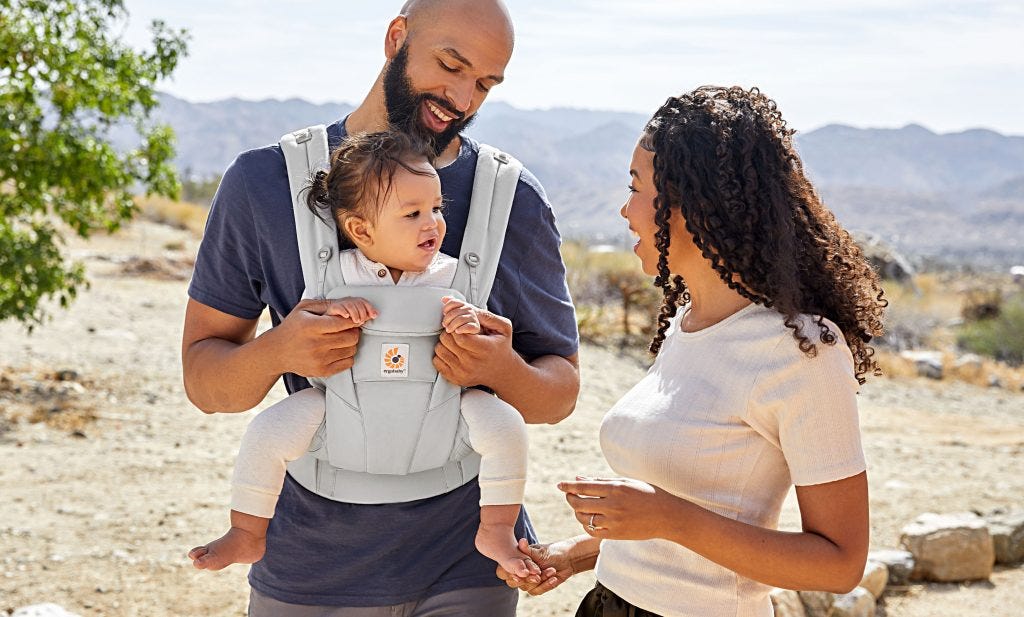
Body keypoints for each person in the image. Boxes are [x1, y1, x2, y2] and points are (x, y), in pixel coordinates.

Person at [180, 0, 580, 614]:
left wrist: (499, 369)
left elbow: (557, 396)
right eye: (450, 65)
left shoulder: (513, 198)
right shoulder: (262, 183)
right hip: (310, 570)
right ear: (397, 38)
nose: (462, 99)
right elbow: (209, 386)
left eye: (484, 84)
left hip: (467, 569)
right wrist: (280, 348)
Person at [497, 86, 887, 617]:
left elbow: (839, 565)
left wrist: (667, 518)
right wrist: (581, 554)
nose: (624, 208)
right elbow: (686, 517)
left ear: (692, 205)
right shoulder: (689, 322)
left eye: (637, 188)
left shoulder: (802, 351)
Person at [187, 131, 541, 580]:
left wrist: (466, 325)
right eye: (412, 214)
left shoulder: (454, 276)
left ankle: (496, 528)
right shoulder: (336, 272)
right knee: (267, 431)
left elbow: (475, 330)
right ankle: (247, 530)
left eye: (436, 209)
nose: (432, 224)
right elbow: (309, 318)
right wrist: (337, 312)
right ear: (360, 230)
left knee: (506, 428)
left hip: (445, 412)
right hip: (335, 409)